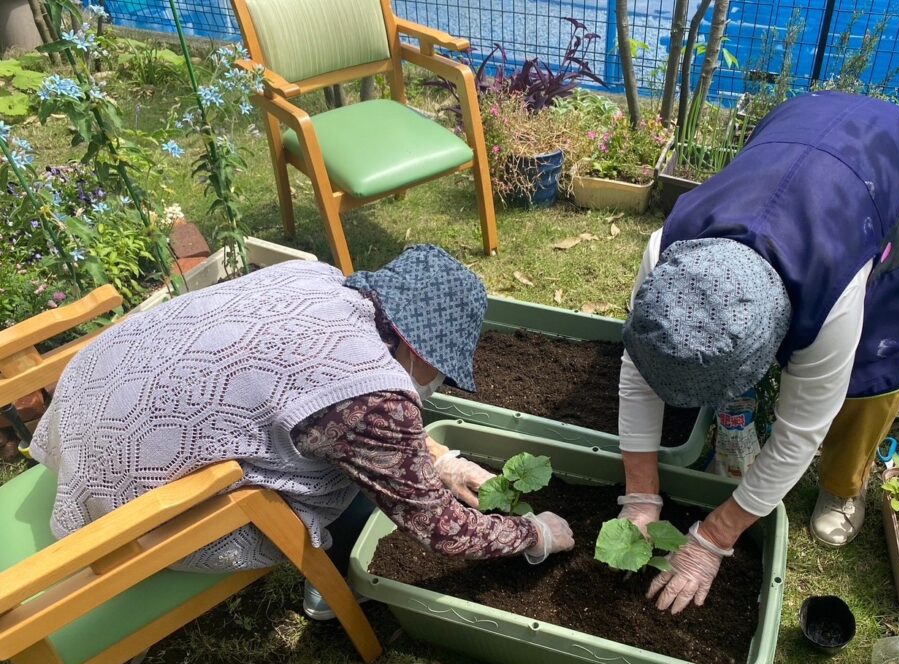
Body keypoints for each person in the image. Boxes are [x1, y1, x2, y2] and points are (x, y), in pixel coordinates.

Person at [30, 245, 574, 620]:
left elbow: (306, 391)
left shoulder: (317, 277)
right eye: (445, 368)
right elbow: (444, 531)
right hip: (124, 487)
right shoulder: (374, 402)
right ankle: (331, 586)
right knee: (337, 488)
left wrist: (440, 459)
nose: (441, 381)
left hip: (90, 392)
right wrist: (534, 536)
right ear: (417, 347)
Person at [617, 91, 899, 614]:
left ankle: (846, 484)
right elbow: (639, 370)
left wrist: (714, 538)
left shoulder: (834, 302)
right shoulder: (666, 252)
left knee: (877, 362)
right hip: (804, 125)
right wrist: (640, 495)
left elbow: (801, 432)